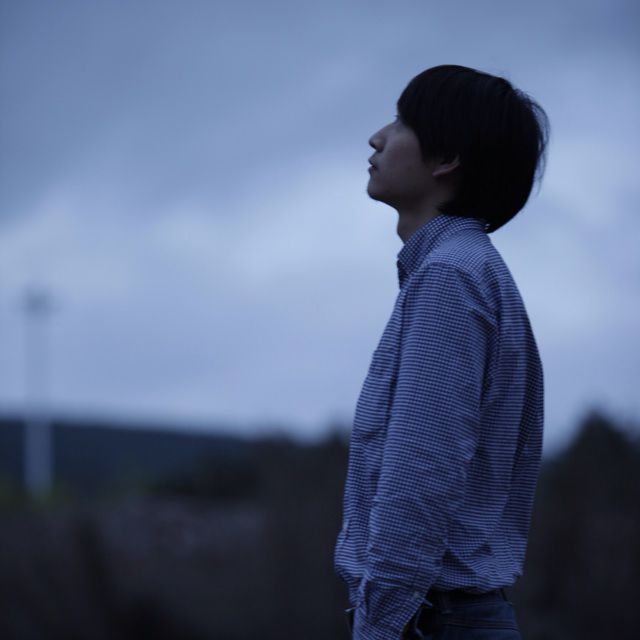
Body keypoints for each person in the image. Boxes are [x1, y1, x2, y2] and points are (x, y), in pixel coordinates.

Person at [333, 65, 550, 640]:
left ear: (447, 158)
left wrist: (380, 626)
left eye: (403, 122)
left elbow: (421, 472)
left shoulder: (450, 277)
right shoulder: (467, 270)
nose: (378, 138)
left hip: (433, 621)